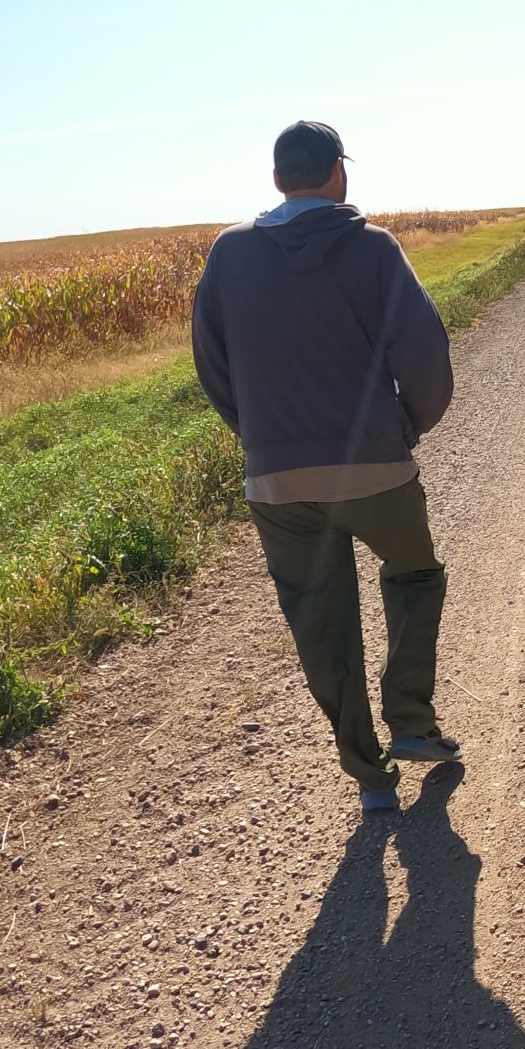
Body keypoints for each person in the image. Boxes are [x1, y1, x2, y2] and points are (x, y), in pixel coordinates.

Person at [191, 120, 460, 815]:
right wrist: (404, 427)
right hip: (375, 467)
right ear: (338, 171)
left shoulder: (229, 254)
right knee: (414, 574)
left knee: (320, 617)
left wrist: (259, 435)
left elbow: (212, 364)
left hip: (277, 483)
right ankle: (411, 721)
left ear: (278, 178)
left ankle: (371, 780)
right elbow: (425, 356)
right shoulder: (372, 248)